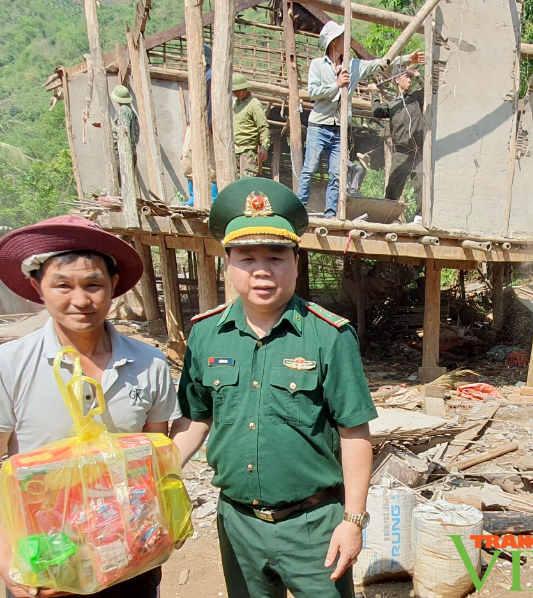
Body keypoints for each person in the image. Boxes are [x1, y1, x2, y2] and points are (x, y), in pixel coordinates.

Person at [170, 178, 377, 598]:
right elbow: (197, 416)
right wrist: (153, 473)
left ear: (296, 263)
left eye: (276, 256)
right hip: (238, 526)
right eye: (247, 258)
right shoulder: (206, 335)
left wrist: (352, 522)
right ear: (227, 263)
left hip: (314, 526)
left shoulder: (329, 336)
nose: (262, 270)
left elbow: (354, 433)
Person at [0, 215, 181, 598]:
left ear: (113, 287)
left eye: (93, 285)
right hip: (49, 564)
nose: (80, 300)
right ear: (37, 287)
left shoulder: (150, 365)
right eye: (62, 285)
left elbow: (153, 463)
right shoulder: (5, 367)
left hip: (130, 560)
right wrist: (5, 560)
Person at [298, 20, 424, 218]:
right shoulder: (317, 65)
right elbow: (312, 92)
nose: (346, 40)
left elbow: (381, 63)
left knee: (336, 174)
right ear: (333, 43)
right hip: (320, 124)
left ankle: (331, 213)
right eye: (341, 37)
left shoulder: (353, 66)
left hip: (340, 126)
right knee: (310, 168)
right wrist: (337, 85)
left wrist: (408, 57)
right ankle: (299, 209)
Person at [370, 67, 424, 220]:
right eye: (406, 77)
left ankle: (419, 218)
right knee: (393, 188)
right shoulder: (392, 104)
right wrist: (374, 92)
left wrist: (417, 74)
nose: (409, 80)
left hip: (418, 152)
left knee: (421, 185)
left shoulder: (416, 98)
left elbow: (430, 90)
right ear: (396, 80)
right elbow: (377, 111)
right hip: (401, 152)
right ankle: (386, 218)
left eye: (410, 77)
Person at [180, 44, 217, 205]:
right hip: (193, 124)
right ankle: (193, 197)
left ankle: (212, 198)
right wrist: (188, 125)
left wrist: (209, 124)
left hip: (204, 125)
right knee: (188, 159)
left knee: (209, 163)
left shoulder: (209, 77)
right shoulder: (198, 76)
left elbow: (210, 104)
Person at [232, 73, 271, 179]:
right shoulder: (236, 104)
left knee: (248, 184)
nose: (236, 93)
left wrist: (264, 147)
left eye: (239, 90)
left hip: (248, 151)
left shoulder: (254, 104)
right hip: (235, 150)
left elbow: (263, 127)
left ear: (245, 89)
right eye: (234, 91)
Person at [110, 85, 140, 167]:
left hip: (123, 152)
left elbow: (124, 131)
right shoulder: (132, 113)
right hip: (132, 153)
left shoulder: (122, 110)